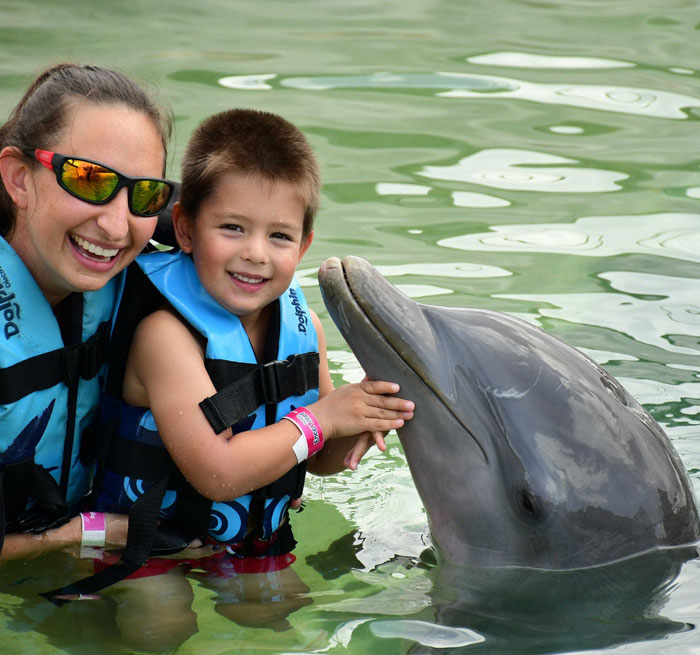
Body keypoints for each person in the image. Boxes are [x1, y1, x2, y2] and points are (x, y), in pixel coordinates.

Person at [78, 108, 414, 641]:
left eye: (279, 236)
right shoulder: (166, 336)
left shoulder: (303, 329)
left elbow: (319, 460)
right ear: (186, 228)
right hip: (149, 542)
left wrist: (359, 424)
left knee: (280, 620)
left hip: (254, 537)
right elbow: (218, 474)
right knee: (161, 625)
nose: (255, 253)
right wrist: (326, 418)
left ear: (303, 246)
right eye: (232, 228)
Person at [0, 63, 174, 561]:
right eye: (89, 180)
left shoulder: (145, 272)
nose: (117, 227)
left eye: (144, 193)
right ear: (18, 178)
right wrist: (86, 533)